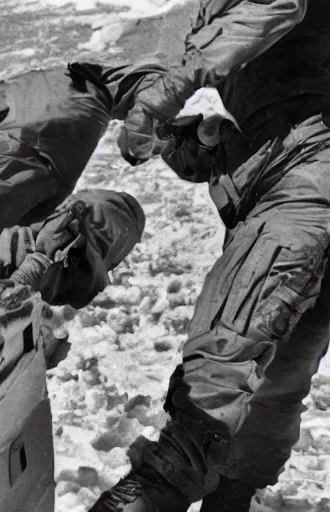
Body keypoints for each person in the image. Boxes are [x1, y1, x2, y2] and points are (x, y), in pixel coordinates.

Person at [91, 0, 330, 509]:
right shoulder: (222, 28)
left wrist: (164, 93)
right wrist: (190, 136)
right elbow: (222, 154)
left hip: (308, 187)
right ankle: (230, 495)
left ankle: (156, 492)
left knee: (226, 352)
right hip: (285, 189)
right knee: (276, 373)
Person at [0, 52, 149, 309]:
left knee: (72, 226)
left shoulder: (4, 136)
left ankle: (20, 288)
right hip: (84, 224)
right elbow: (112, 84)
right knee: (15, 243)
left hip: (100, 228)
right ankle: (8, 290)